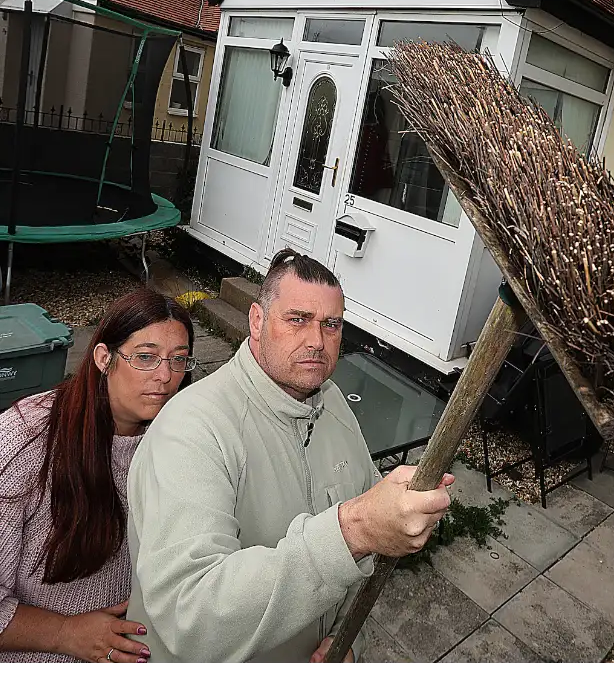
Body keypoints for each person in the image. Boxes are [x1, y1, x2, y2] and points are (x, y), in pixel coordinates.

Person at [124, 248, 454, 664]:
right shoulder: (191, 431)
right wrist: (353, 530)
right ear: (257, 321)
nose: (316, 341)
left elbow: (368, 548)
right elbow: (191, 620)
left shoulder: (331, 402)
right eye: (297, 319)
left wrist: (348, 637)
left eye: (331, 325)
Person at [0, 287, 196, 664]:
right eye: (145, 357)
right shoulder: (25, 440)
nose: (165, 376)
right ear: (104, 358)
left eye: (178, 360)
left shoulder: (180, 439)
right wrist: (64, 633)